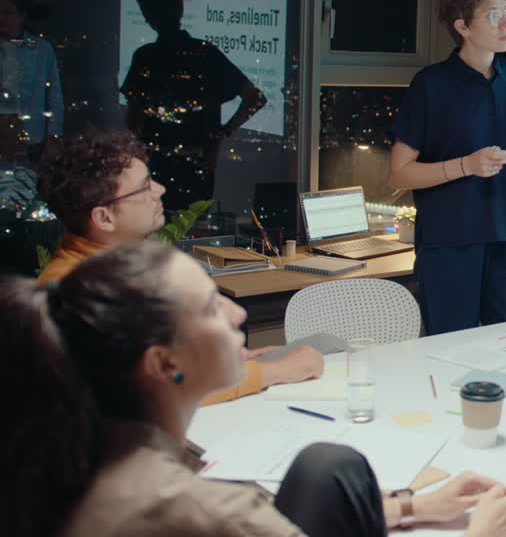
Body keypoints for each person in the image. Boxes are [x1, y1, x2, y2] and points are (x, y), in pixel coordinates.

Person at [0, 241, 506, 537]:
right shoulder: (205, 511)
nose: (236, 313)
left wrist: (412, 508)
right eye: (211, 308)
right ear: (164, 364)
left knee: (327, 466)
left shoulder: (77, 447)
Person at [37, 128, 322, 405]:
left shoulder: (116, 268)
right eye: (144, 187)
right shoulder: (78, 295)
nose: (160, 190)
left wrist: (224, 360)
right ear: (104, 218)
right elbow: (157, 387)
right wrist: (276, 371)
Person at [388, 0, 506, 334]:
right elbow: (398, 172)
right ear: (462, 26)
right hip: (449, 244)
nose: (505, 24)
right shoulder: (431, 85)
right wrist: (467, 166)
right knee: (451, 351)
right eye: (494, 16)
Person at [122, 0, 267, 211]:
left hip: (155, 165)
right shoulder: (206, 53)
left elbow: (133, 120)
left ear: (146, 15)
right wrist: (221, 134)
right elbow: (255, 98)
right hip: (198, 167)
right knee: (193, 238)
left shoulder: (146, 57)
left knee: (157, 237)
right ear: (180, 7)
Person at [0, 0, 63, 160]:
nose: (1, 19)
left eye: (7, 13)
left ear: (22, 15)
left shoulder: (41, 49)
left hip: (32, 139)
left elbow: (54, 95)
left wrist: (54, 136)